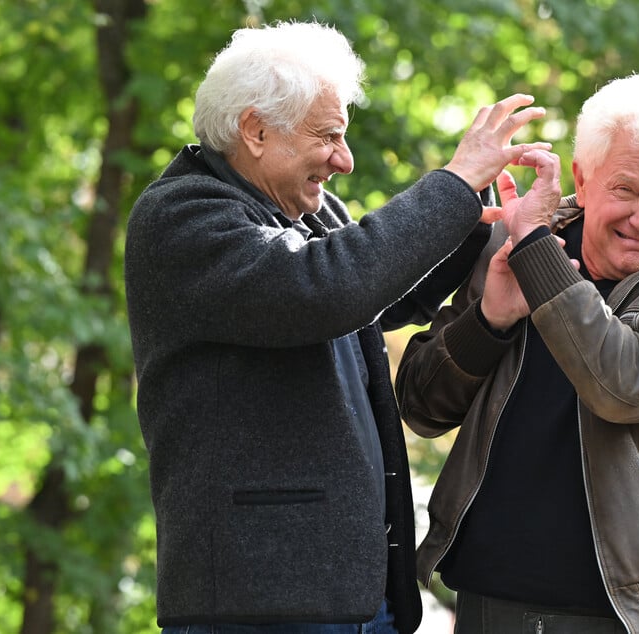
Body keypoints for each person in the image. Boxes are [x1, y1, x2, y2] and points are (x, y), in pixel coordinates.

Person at [124, 18, 552, 634]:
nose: (344, 161)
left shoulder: (308, 214)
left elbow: (377, 296)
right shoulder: (180, 218)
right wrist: (455, 183)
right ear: (255, 129)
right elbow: (328, 287)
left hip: (351, 595)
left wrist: (487, 221)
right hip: (259, 603)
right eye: (328, 136)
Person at [394, 73, 639, 633]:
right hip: (486, 602)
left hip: (618, 615)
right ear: (583, 181)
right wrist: (489, 320)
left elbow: (623, 383)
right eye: (625, 190)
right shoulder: (514, 242)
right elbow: (421, 407)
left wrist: (536, 252)